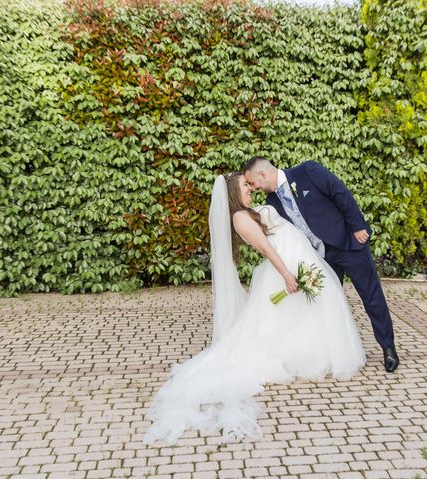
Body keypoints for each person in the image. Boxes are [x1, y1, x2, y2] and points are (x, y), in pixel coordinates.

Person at [143, 173, 365, 445]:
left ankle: (310, 353)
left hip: (298, 258)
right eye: (244, 186)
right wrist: (286, 274)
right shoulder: (239, 218)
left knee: (302, 316)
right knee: (286, 320)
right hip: (285, 266)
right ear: (233, 193)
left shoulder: (248, 212)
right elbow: (266, 248)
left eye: (249, 185)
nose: (249, 189)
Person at [243, 157, 400, 372]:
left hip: (347, 244)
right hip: (320, 257)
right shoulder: (272, 202)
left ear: (262, 174)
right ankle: (336, 352)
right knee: (330, 303)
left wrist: (358, 226)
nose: (254, 188)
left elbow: (340, 192)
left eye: (252, 183)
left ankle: (388, 348)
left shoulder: (307, 171)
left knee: (371, 296)